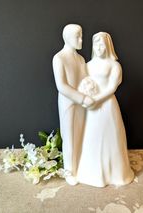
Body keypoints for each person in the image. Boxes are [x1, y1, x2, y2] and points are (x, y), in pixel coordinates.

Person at [77, 32, 134, 187]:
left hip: (107, 105)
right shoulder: (87, 65)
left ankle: (115, 173)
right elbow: (82, 83)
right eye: (96, 44)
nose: (99, 47)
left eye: (102, 44)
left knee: (110, 137)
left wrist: (96, 99)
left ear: (108, 46)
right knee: (91, 137)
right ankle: (91, 173)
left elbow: (112, 87)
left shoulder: (114, 65)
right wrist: (85, 97)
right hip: (90, 107)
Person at [52, 24, 95, 185]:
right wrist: (82, 98)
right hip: (69, 103)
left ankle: (81, 166)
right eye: (78, 36)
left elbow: (85, 80)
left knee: (82, 134)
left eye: (82, 35)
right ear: (67, 37)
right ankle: (69, 170)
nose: (81, 39)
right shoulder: (59, 58)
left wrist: (90, 91)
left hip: (82, 104)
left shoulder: (81, 59)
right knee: (69, 136)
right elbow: (61, 86)